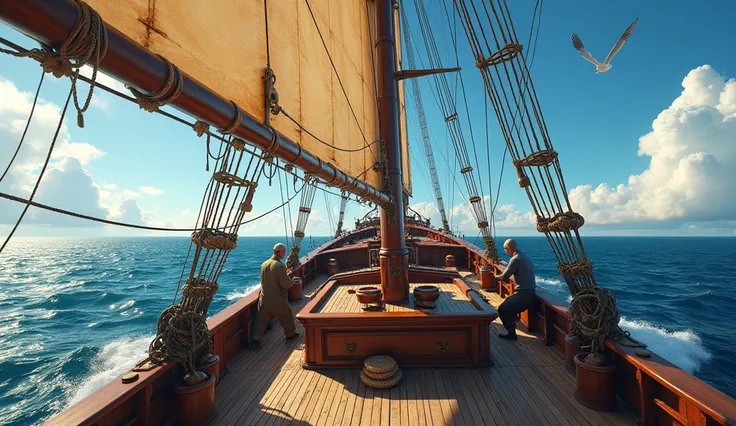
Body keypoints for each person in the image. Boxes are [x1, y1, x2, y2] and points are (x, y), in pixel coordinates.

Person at [251, 243, 299, 345]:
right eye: (284, 252)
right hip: (277, 299)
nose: (285, 253)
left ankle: (255, 339)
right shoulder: (279, 266)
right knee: (287, 316)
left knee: (261, 321)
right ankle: (290, 334)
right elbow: (286, 284)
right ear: (280, 252)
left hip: (263, 298)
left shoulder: (264, 264)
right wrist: (292, 281)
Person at [494, 238, 536, 341]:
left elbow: (504, 277)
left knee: (502, 310)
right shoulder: (526, 256)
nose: (505, 251)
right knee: (510, 310)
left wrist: (494, 275)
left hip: (522, 295)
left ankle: (512, 335)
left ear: (510, 248)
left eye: (505, 249)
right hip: (531, 293)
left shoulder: (515, 259)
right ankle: (512, 327)